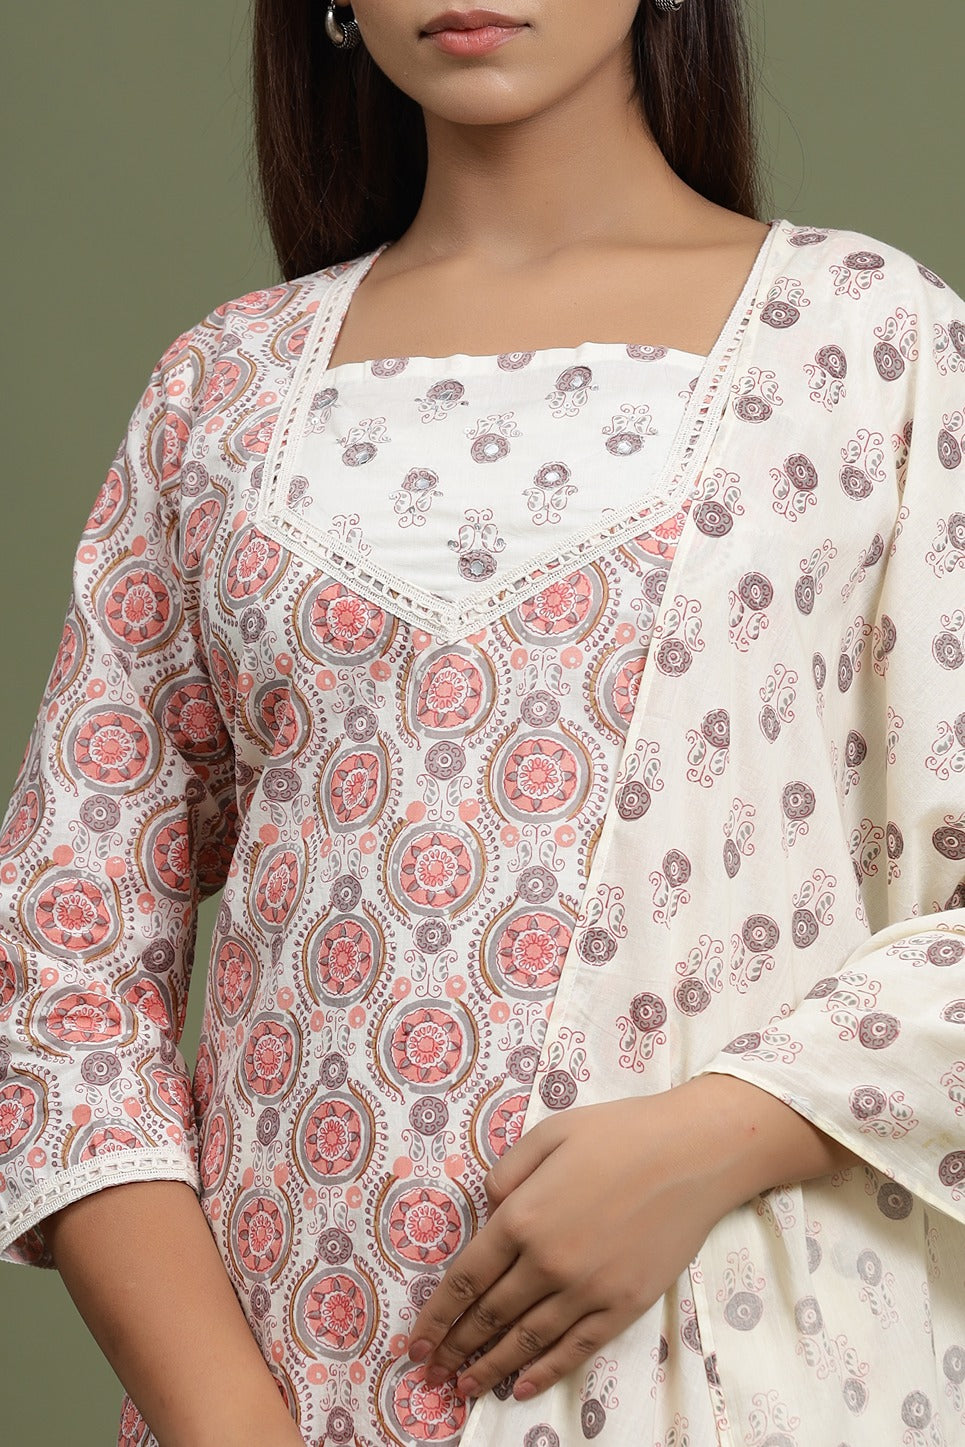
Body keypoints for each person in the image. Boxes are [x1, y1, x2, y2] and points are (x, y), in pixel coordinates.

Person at [1, 2, 962, 1444]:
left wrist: (718, 1134)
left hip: (749, 1372)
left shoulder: (871, 341)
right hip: (291, 1382)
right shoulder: (222, 391)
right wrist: (224, 1417)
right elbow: (59, 963)